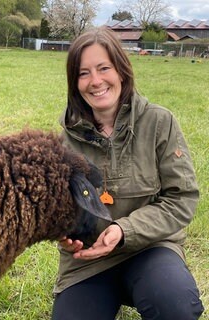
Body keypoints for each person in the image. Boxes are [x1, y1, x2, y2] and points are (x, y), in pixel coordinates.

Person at [51, 27, 204, 320]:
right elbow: (58, 212)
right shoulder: (62, 143)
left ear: (121, 71)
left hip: (151, 248)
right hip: (88, 263)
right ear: (74, 82)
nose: (95, 81)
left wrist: (124, 231)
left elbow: (181, 198)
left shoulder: (160, 123)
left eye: (103, 68)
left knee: (176, 305)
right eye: (83, 73)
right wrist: (64, 234)